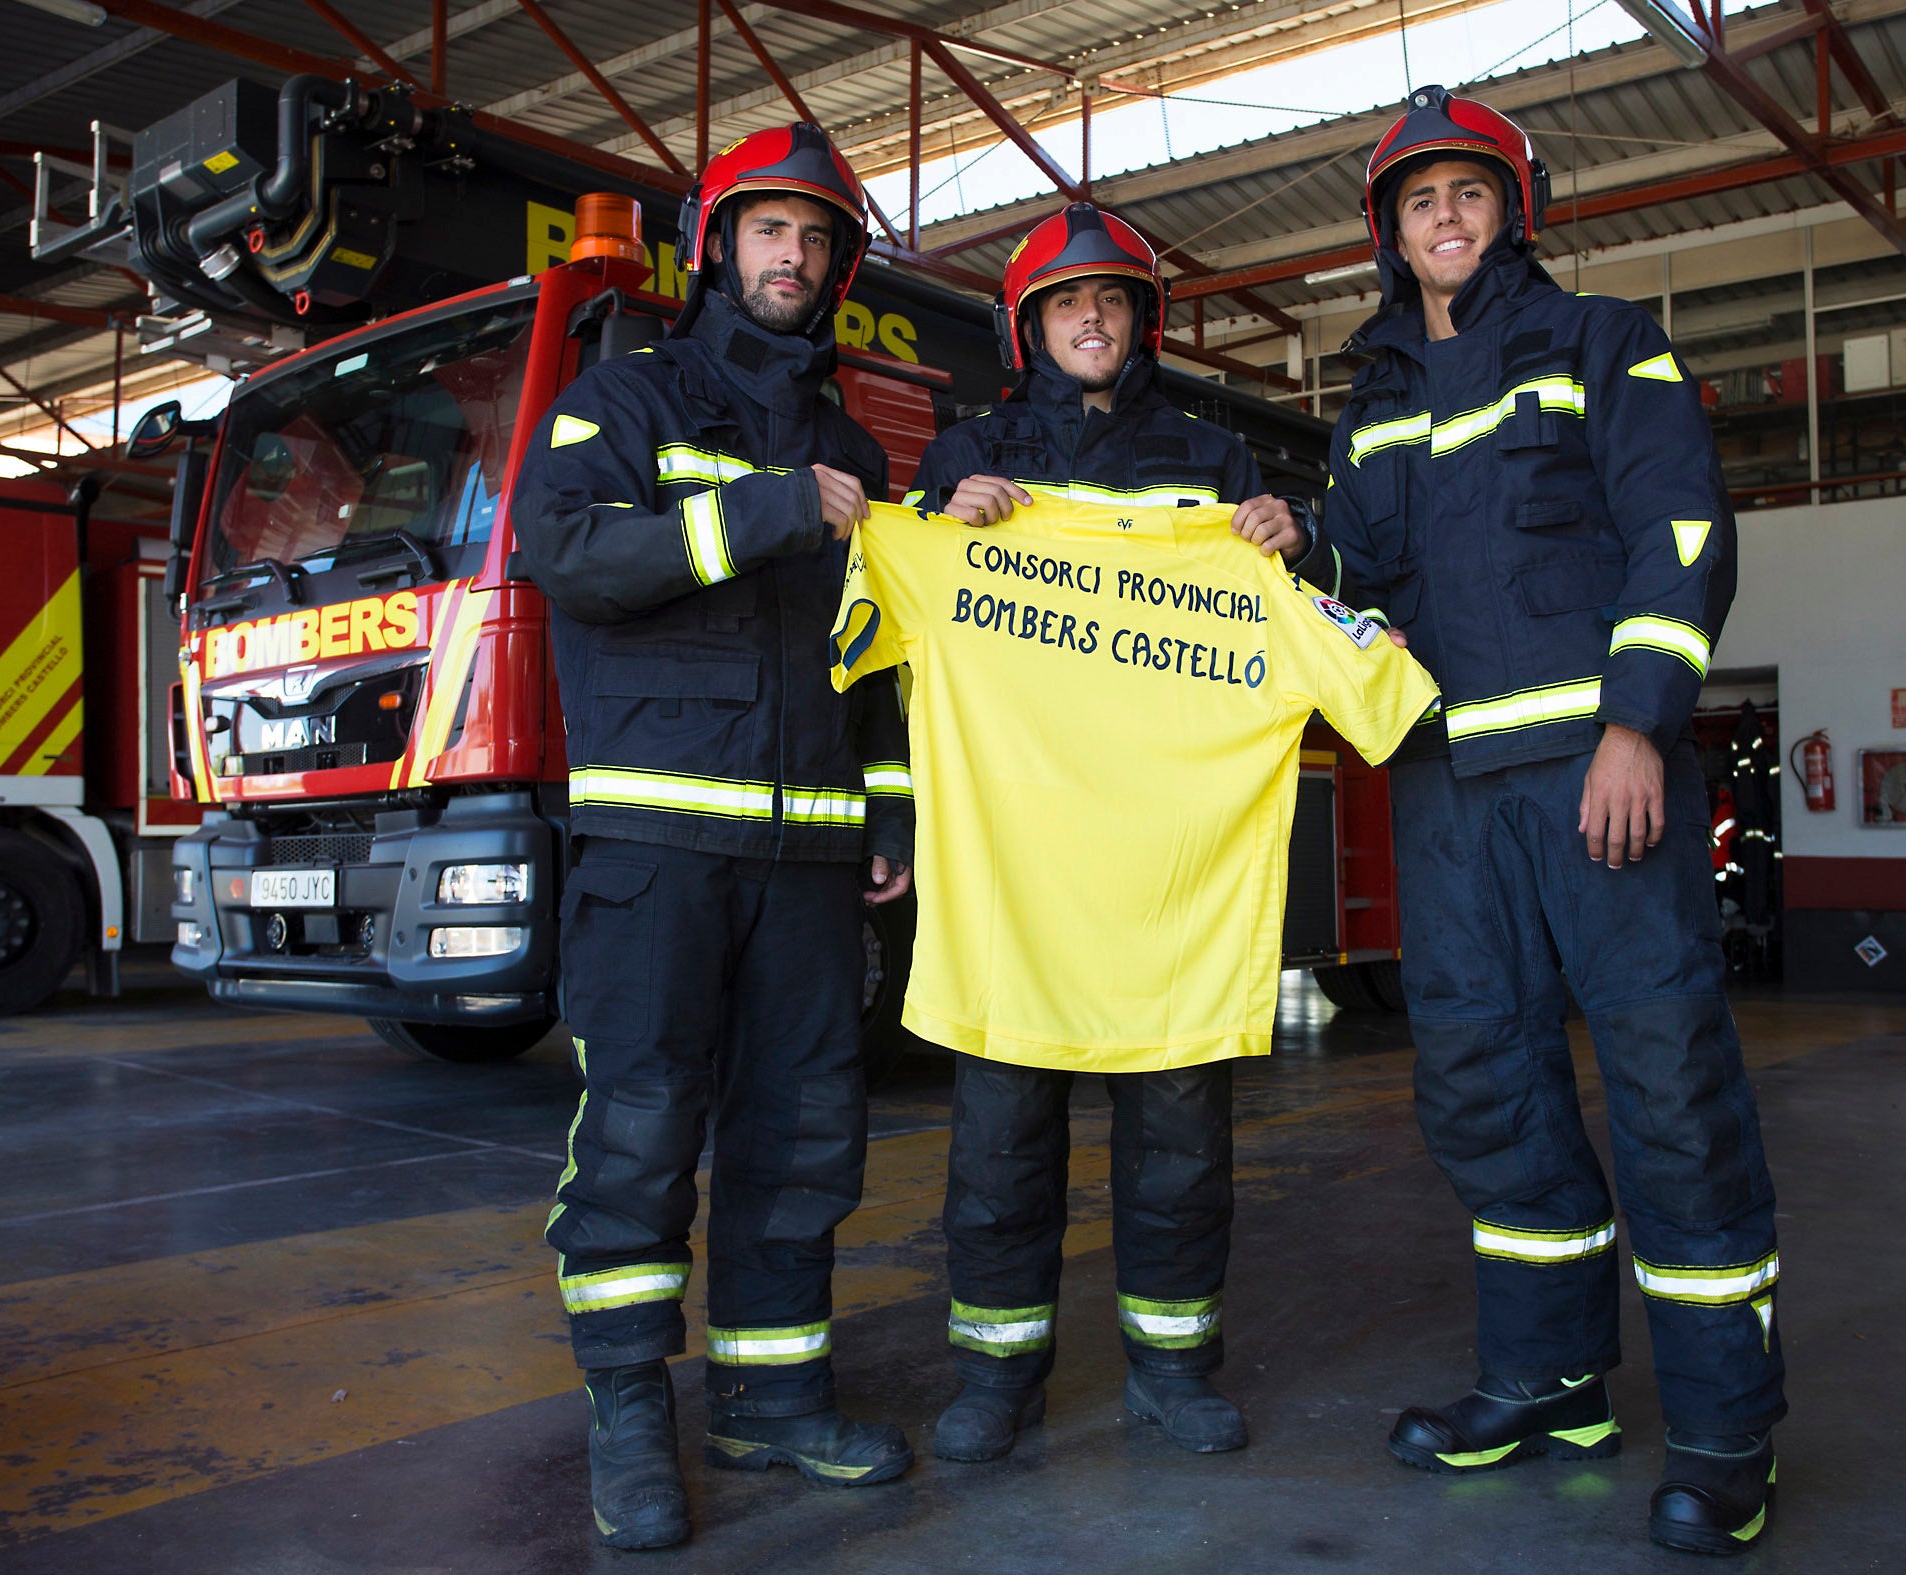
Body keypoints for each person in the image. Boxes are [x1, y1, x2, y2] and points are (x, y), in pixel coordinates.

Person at [1320, 87, 1785, 1555]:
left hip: (1601, 785)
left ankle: (1722, 1432)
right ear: (1390, 235)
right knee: (1482, 1090)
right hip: (1450, 804)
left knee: (1667, 1090)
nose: (1442, 220)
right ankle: (1549, 1376)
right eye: (1416, 202)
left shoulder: (1602, 344)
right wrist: (1284, 545)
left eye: (1465, 194)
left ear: (1507, 210)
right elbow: (1357, 601)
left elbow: (1682, 529)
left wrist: (1637, 721)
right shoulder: (1370, 411)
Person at [514, 123, 915, 1551]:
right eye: (767, 231)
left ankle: (771, 1398)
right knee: (636, 1131)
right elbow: (565, 554)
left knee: (802, 1135)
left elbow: (879, 650)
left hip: (811, 862)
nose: (790, 256)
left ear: (838, 261)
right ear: (719, 247)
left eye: (814, 236)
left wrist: (893, 801)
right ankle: (630, 1416)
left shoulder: (858, 449)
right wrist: (760, 508)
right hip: (657, 849)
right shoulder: (623, 397)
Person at [901, 201, 1330, 1464]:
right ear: (1027, 328)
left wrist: (1289, 545)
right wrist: (940, 523)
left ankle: (1172, 1366)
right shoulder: (963, 458)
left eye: (1114, 301)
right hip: (1015, 880)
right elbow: (903, 641)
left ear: (1143, 322)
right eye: (1064, 303)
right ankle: (996, 1380)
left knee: (1181, 1146)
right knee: (997, 1150)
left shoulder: (1216, 460)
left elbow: (1288, 615)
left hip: (1167, 877)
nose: (1092, 318)